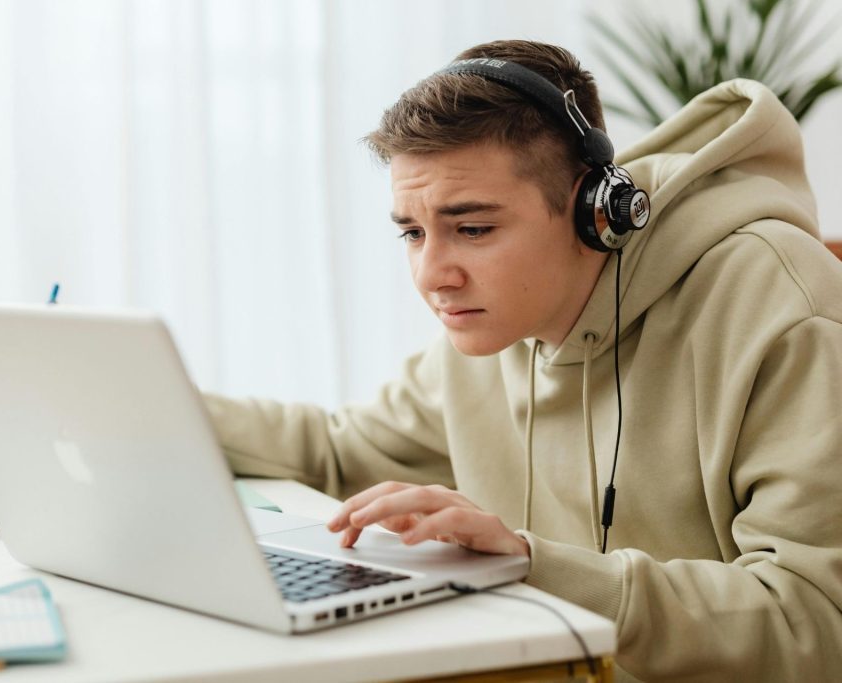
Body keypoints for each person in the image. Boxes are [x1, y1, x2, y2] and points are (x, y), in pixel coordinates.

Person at [204, 39, 842, 681]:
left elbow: (816, 621)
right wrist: (133, 402)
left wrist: (530, 563)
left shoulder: (778, 306)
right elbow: (338, 453)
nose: (432, 276)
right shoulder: (491, 328)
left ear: (595, 211)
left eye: (473, 229)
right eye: (412, 232)